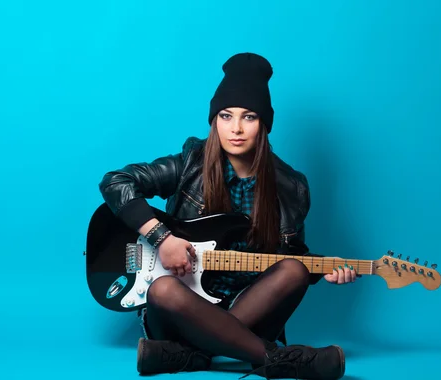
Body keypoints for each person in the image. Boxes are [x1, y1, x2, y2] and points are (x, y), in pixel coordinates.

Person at [98, 52, 358, 379]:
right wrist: (160, 238)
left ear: (264, 124)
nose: (235, 128)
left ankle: (189, 356)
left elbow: (290, 257)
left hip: (246, 308)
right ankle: (277, 359)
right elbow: (115, 182)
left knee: (294, 270)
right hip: (183, 307)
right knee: (163, 290)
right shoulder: (189, 164)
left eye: (248, 117)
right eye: (225, 116)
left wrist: (325, 270)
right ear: (214, 120)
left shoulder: (292, 187)